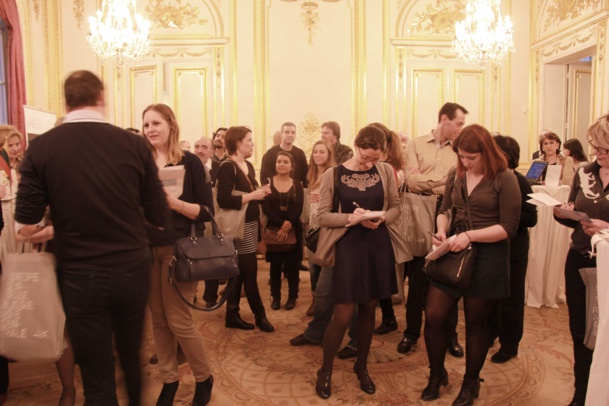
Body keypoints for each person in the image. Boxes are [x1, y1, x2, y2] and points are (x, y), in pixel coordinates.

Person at [14, 70, 169, 405]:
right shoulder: (132, 144)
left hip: (79, 274)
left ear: (66, 102)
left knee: (97, 375)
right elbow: (158, 216)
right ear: (102, 97)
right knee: (131, 358)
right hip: (131, 267)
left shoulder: (42, 147)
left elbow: (25, 217)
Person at [422, 124, 520, 405]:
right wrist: (442, 230)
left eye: (471, 158)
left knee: (476, 322)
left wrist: (468, 236)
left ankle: (470, 382)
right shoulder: (456, 173)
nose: (465, 162)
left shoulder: (505, 178)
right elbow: (444, 211)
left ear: (486, 152)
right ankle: (436, 373)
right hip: (453, 251)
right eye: (461, 157)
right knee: (435, 316)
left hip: (489, 258)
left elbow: (508, 228)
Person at [314, 125, 401, 399]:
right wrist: (350, 219)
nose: (369, 163)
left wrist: (384, 217)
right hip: (349, 245)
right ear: (355, 145)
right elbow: (322, 216)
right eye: (365, 157)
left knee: (369, 309)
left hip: (377, 245)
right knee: (342, 313)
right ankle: (325, 370)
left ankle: (361, 367)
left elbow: (397, 206)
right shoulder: (334, 174)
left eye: (375, 158)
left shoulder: (385, 171)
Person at [142, 104, 215, 406]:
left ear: (171, 125)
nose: (150, 129)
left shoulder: (191, 163)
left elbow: (207, 211)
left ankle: (203, 377)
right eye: (146, 125)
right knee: (158, 320)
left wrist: (174, 203)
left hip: (180, 249)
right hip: (146, 248)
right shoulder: (140, 163)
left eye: (156, 123)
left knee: (179, 319)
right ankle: (169, 380)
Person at [398, 102, 467, 358]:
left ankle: (451, 335)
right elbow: (411, 181)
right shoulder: (415, 144)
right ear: (444, 119)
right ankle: (411, 333)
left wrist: (433, 184)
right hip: (417, 213)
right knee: (417, 278)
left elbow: (458, 183)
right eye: (459, 124)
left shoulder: (461, 149)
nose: (461, 129)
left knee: (448, 278)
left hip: (449, 212)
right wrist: (444, 181)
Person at [553, 113, 609, 406]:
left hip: (608, 267)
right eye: (594, 147)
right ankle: (581, 393)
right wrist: (562, 212)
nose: (597, 154)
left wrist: (607, 228)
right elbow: (573, 215)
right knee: (580, 330)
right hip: (579, 261)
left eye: (604, 149)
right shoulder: (585, 171)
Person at [216, 126, 274, 332]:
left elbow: (250, 193)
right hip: (237, 226)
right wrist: (252, 196)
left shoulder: (247, 165)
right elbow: (222, 199)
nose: (252, 143)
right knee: (249, 272)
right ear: (238, 143)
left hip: (249, 223)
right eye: (249, 140)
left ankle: (232, 314)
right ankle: (260, 316)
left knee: (239, 272)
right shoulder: (227, 167)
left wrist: (260, 192)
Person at [488, 135, 538, 363]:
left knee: (511, 300)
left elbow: (531, 217)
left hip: (513, 248)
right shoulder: (490, 178)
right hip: (493, 248)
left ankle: (510, 345)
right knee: (491, 297)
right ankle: (491, 334)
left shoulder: (519, 181)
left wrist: (503, 222)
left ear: (505, 156)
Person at [369, 122, 405, 335]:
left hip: (382, 225)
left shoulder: (386, 168)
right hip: (376, 223)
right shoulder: (382, 165)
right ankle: (386, 316)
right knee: (379, 274)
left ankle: (389, 318)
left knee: (381, 275)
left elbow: (389, 203)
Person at [262, 151, 305, 310]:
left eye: (285, 162)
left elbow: (299, 207)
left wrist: (287, 226)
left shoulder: (297, 184)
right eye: (279, 161)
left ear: (291, 166)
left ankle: (292, 297)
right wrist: (281, 224)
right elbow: (265, 206)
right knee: (275, 267)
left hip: (293, 230)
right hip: (274, 230)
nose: (281, 164)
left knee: (293, 267)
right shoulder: (267, 182)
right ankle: (276, 297)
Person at [304, 140, 335, 316]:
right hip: (312, 225)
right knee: (313, 266)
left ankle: (326, 301)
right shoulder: (312, 174)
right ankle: (315, 299)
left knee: (326, 266)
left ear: (329, 154)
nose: (318, 155)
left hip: (327, 227)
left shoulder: (333, 173)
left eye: (322, 152)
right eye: (315, 152)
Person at [260, 122, 308, 187]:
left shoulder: (300, 153)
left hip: (295, 192)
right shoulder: (270, 153)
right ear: (281, 134)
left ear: (295, 135)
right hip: (275, 193)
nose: (290, 135)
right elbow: (264, 178)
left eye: (293, 132)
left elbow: (305, 177)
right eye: (287, 132)